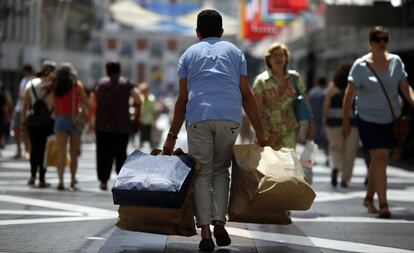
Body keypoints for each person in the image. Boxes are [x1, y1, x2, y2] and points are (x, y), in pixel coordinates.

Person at [162, 9, 267, 251]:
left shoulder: (188, 54)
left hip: (198, 117)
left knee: (202, 173)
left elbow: (182, 100)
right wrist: (260, 133)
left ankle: (206, 233)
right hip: (230, 117)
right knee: (222, 171)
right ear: (221, 31)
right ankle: (220, 221)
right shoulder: (235, 52)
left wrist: (171, 137)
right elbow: (246, 95)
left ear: (197, 32)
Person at [343, 26, 414, 218]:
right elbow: (349, 95)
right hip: (368, 118)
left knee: (378, 160)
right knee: (380, 157)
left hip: (391, 119)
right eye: (377, 39)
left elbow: (406, 88)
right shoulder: (360, 65)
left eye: (385, 39)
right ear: (370, 42)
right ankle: (383, 204)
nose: (382, 43)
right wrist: (346, 121)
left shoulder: (396, 62)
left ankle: (368, 197)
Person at [252, 42, 313, 150]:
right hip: (267, 135)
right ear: (269, 59)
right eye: (275, 55)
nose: (278, 58)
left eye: (281, 55)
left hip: (290, 133)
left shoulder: (295, 78)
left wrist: (310, 126)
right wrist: (260, 133)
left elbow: (306, 102)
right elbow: (256, 110)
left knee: (287, 166)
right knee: (269, 166)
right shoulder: (261, 81)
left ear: (286, 58)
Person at [95, 61, 141, 191]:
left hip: (103, 125)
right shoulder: (126, 83)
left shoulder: (101, 84)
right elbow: (138, 99)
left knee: (103, 153)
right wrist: (134, 115)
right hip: (122, 125)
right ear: (119, 70)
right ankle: (121, 179)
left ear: (107, 70)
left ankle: (103, 181)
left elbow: (94, 100)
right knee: (121, 153)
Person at [53, 63, 89, 191]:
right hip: (75, 120)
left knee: (61, 153)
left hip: (60, 119)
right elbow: (86, 102)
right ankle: (73, 179)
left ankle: (61, 181)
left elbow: (54, 106)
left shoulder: (56, 86)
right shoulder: (76, 85)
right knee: (73, 154)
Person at [21, 61, 56, 188]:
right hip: (48, 121)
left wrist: (23, 121)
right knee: (43, 150)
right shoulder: (51, 85)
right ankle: (42, 178)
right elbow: (54, 105)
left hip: (32, 121)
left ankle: (32, 176)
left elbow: (25, 105)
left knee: (34, 149)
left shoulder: (30, 84)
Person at [323, 64, 358, 188]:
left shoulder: (332, 86)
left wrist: (325, 119)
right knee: (350, 151)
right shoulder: (355, 86)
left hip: (334, 122)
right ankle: (345, 179)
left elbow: (326, 104)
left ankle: (335, 167)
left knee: (335, 148)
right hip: (352, 122)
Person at [309, 77, 329, 159]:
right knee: (325, 139)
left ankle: (312, 158)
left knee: (313, 139)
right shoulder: (326, 93)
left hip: (313, 117)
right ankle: (327, 157)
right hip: (322, 117)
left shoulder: (312, 92)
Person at [138, 82, 156, 149]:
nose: (144, 92)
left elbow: (153, 112)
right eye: (142, 91)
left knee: (151, 142)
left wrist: (154, 123)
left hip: (149, 122)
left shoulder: (152, 98)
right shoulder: (140, 99)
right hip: (140, 122)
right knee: (140, 141)